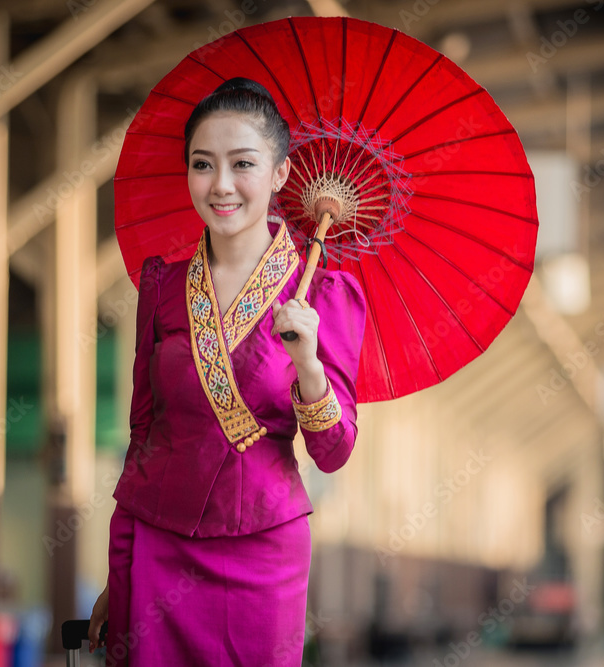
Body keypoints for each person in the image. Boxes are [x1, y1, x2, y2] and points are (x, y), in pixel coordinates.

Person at [87, 77, 367, 666]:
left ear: (280, 175)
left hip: (263, 545)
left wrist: (308, 361)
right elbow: (143, 432)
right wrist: (122, 575)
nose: (220, 186)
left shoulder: (322, 295)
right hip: (155, 539)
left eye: (242, 164)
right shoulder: (161, 285)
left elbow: (335, 452)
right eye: (202, 164)